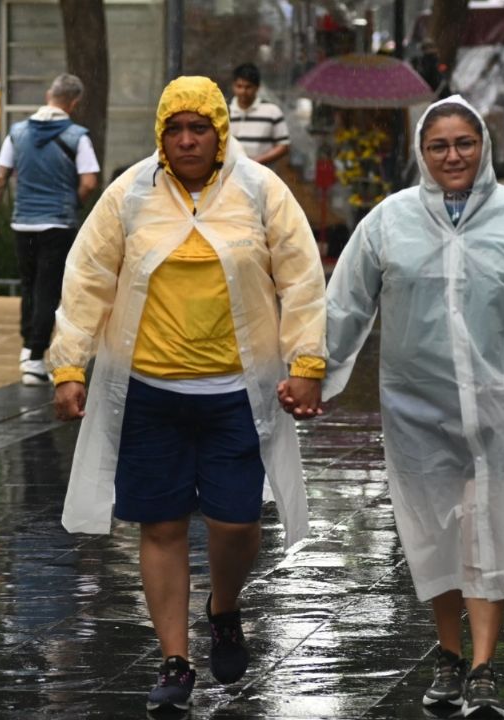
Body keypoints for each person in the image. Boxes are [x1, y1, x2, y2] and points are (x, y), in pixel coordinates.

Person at [306, 95, 504, 720]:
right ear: (421, 153)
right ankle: (448, 653)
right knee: (436, 529)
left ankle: (485, 666)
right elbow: (345, 306)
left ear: (484, 146)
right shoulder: (388, 222)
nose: (452, 156)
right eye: (438, 146)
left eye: (464, 143)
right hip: (418, 408)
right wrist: (315, 376)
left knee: (488, 527)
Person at [47, 76, 327, 713]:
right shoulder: (130, 194)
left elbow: (303, 277)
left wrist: (307, 361)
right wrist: (68, 367)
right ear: (160, 134)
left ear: (220, 131)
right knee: (162, 525)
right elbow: (86, 277)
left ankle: (223, 607)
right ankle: (175, 660)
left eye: (199, 128)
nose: (186, 139)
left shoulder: (259, 190)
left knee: (237, 523)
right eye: (174, 129)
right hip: (150, 394)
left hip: (236, 393)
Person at [0, 73, 100, 385]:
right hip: (58, 224)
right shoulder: (77, 136)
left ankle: (27, 347)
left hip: (23, 223)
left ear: (49, 95)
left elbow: (0, 179)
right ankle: (34, 357)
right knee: (49, 289)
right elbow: (89, 182)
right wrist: (71, 203)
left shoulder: (17, 133)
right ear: (74, 103)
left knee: (29, 285)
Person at [228, 62, 290, 167]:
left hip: (263, 175)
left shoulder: (272, 111)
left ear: (257, 87)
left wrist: (255, 162)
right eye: (239, 86)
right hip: (230, 173)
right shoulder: (225, 111)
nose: (243, 91)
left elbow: (283, 145)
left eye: (248, 87)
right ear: (233, 86)